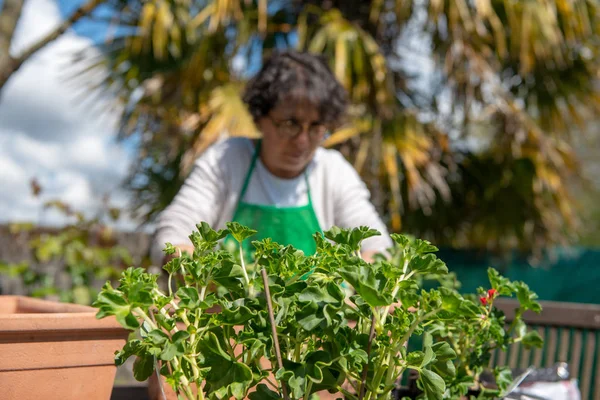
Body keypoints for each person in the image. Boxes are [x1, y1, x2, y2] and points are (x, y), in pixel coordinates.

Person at [151, 50, 392, 265]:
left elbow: (377, 246)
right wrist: (206, 278)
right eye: (290, 124)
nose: (302, 140)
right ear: (259, 118)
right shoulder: (227, 159)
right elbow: (174, 235)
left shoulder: (332, 170)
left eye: (316, 127)